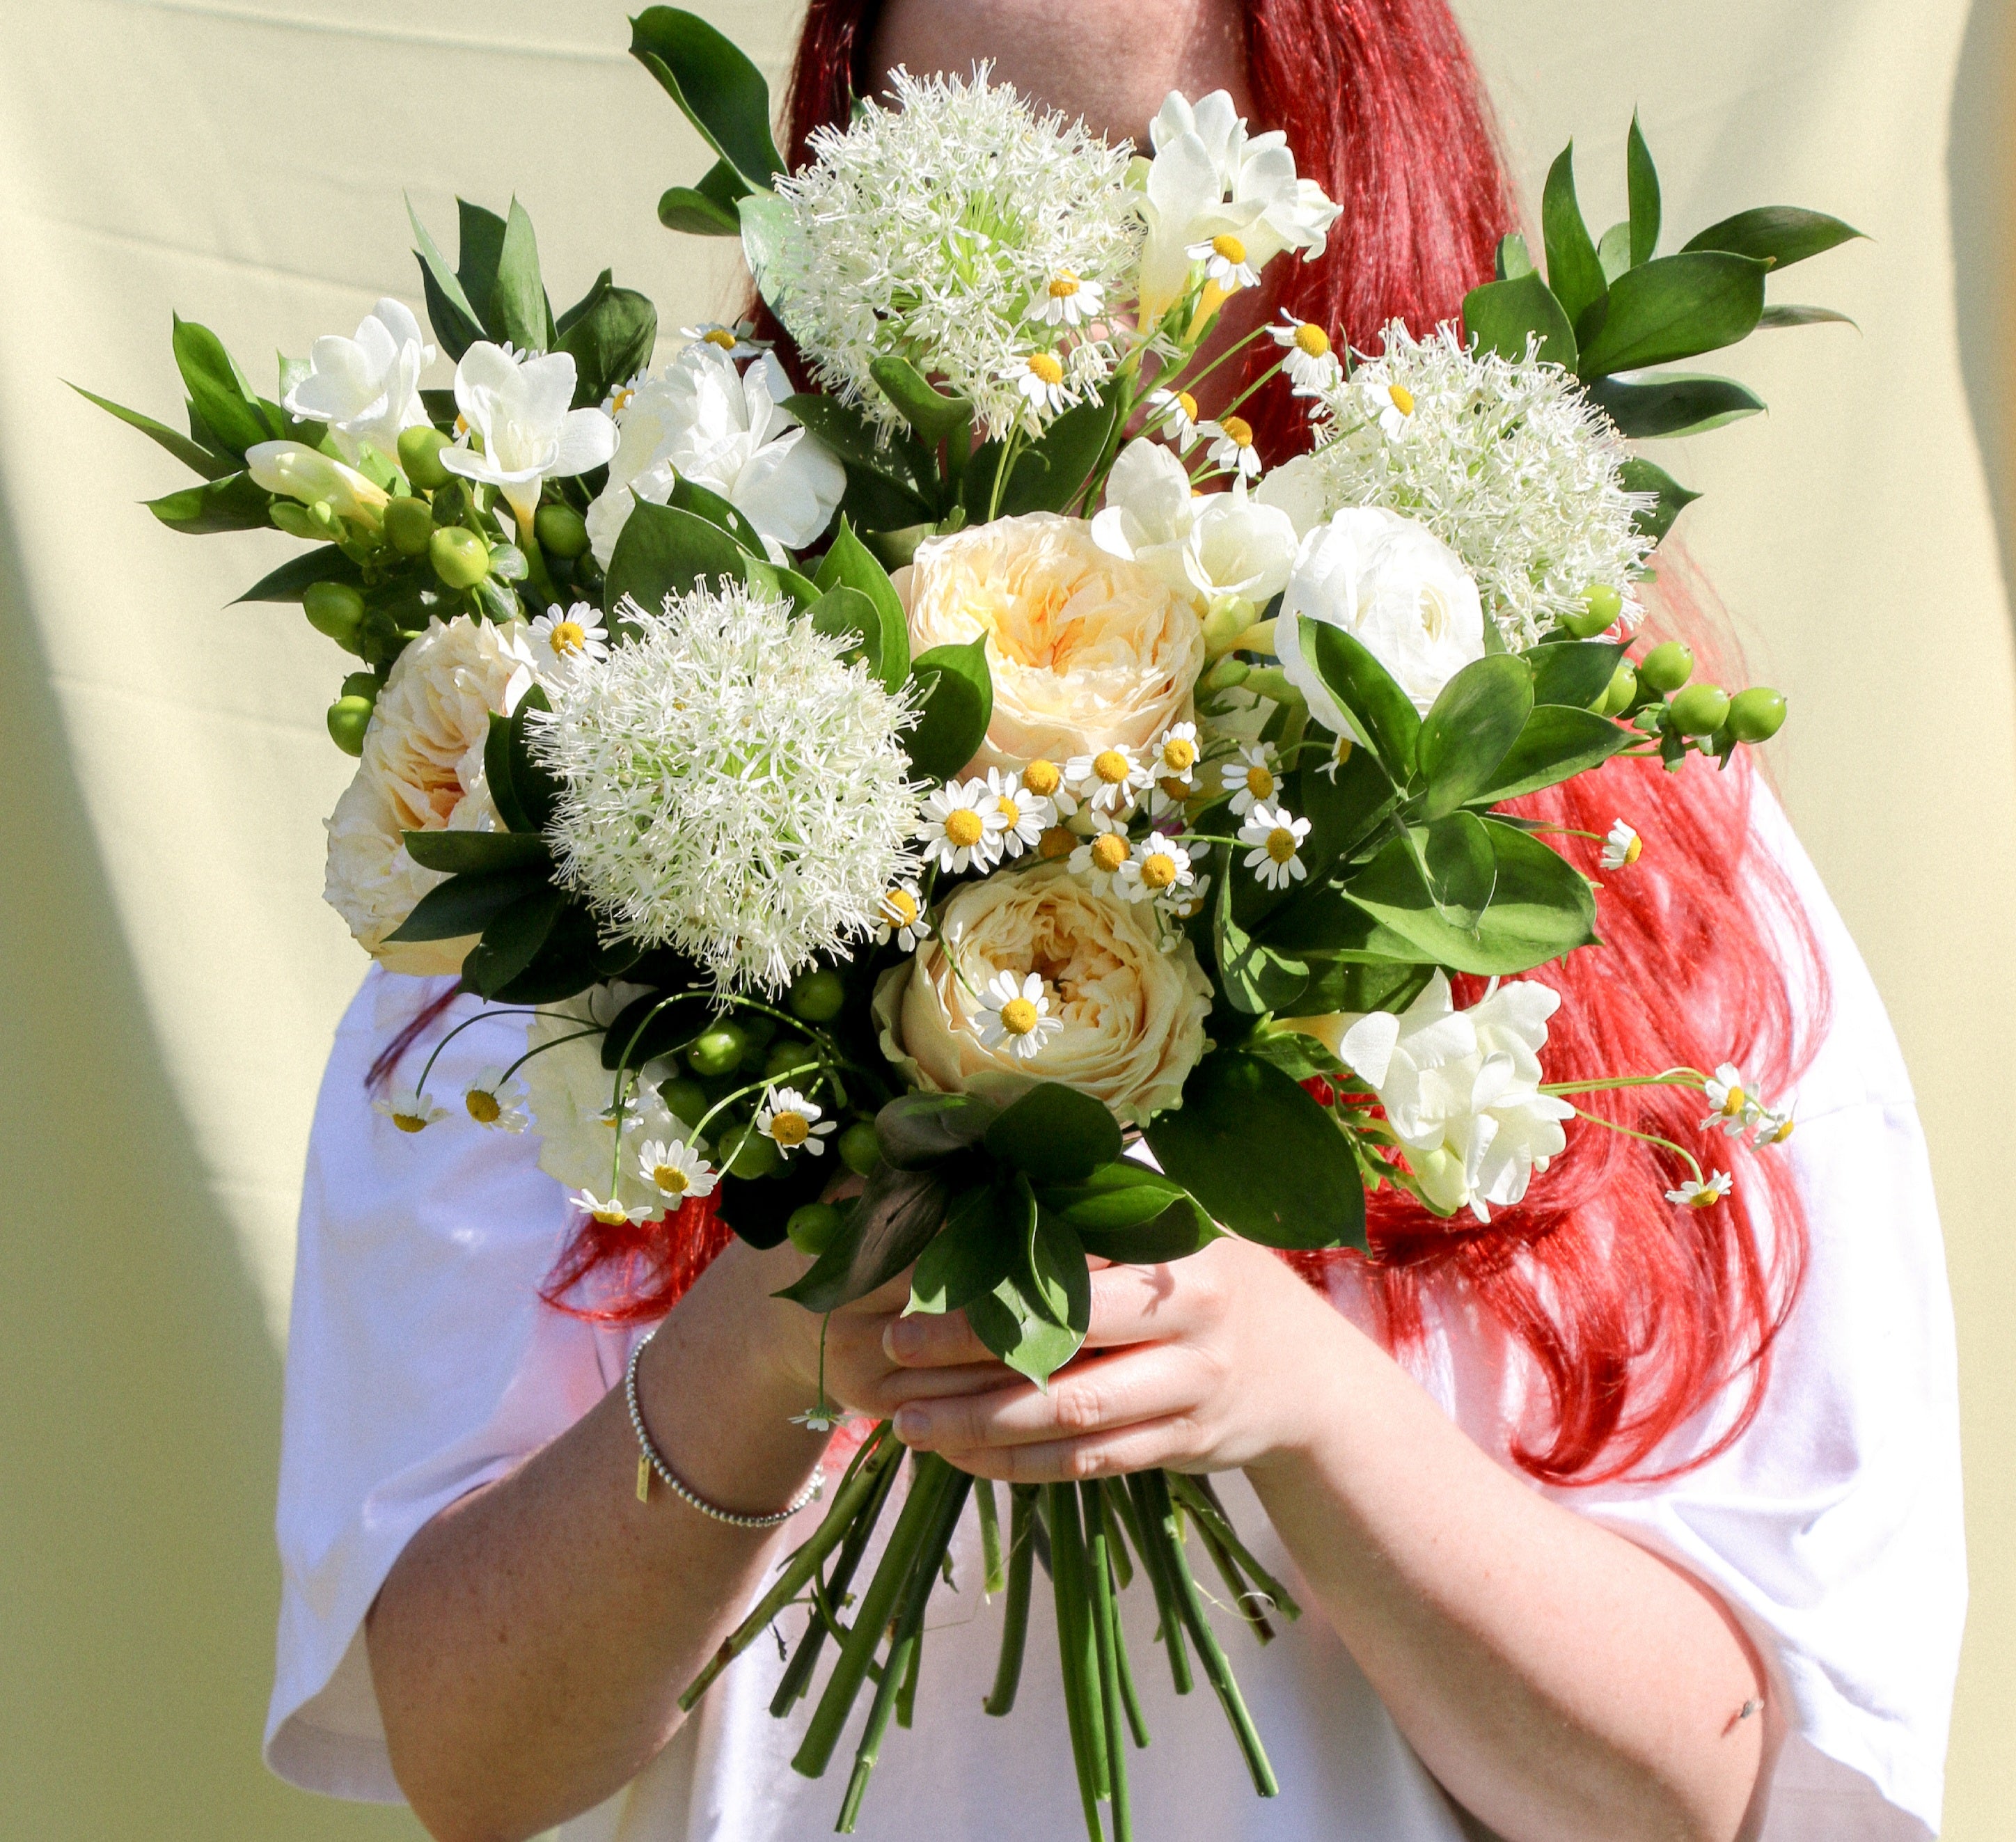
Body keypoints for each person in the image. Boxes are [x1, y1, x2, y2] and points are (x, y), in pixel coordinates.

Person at [262, 3, 1966, 1839]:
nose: (1056, 315)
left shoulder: (1633, 858)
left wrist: (1304, 1399)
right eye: (967, 182)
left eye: (1149, 197)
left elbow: (1712, 1787)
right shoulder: (626, 790)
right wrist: (770, 1326)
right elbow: (471, 1760)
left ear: (1348, 190)